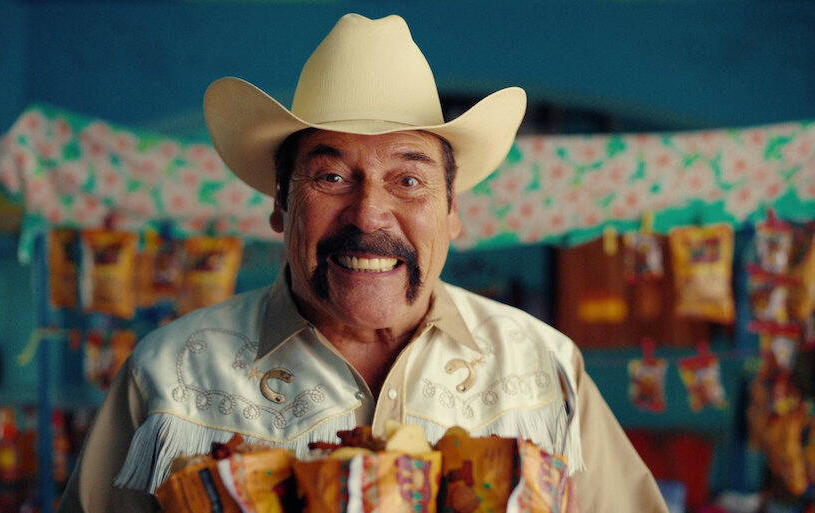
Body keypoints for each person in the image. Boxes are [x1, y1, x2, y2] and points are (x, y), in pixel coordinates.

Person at [59, 13, 667, 512]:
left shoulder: (546, 368)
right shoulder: (167, 377)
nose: (369, 214)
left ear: (452, 209)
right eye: (331, 176)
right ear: (281, 204)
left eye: (408, 180)